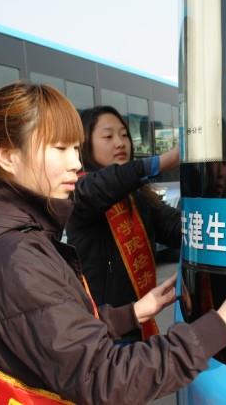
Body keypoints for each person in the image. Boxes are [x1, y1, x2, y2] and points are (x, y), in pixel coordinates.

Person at [0, 83, 226, 405]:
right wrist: (225, 322)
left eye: (75, 148)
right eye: (59, 148)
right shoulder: (16, 258)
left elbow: (57, 326)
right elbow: (104, 378)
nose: (74, 162)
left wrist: (132, 313)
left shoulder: (17, 239)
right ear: (8, 156)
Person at [66, 106, 180, 340]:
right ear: (85, 144)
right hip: (102, 328)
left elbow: (172, 227)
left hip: (139, 321)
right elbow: (103, 187)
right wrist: (160, 162)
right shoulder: (79, 191)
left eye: (125, 135)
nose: (120, 143)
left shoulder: (137, 195)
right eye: (108, 136)